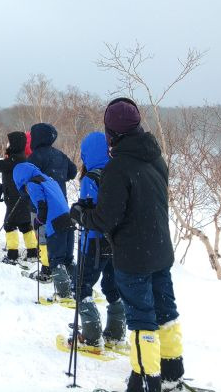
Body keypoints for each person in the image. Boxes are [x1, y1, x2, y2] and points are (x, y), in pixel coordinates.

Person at [70, 98, 184, 392]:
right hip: (159, 248)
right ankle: (171, 370)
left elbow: (107, 219)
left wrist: (83, 215)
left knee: (142, 317)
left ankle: (145, 380)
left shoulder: (118, 167)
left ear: (112, 134)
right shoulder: (155, 158)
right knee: (165, 310)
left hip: (134, 256)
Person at [70, 131, 126, 349]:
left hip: (93, 242)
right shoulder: (118, 174)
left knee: (81, 286)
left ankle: (92, 336)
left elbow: (90, 211)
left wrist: (77, 211)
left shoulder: (91, 178)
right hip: (117, 241)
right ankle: (116, 333)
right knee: (113, 285)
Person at [12, 162, 75, 299]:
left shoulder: (32, 184)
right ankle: (79, 289)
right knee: (68, 259)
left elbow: (42, 207)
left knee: (56, 261)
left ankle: (64, 294)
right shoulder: (49, 180)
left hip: (56, 224)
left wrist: (38, 221)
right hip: (69, 220)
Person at [27, 123, 78, 277]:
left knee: (43, 235)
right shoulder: (60, 154)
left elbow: (29, 179)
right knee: (58, 238)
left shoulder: (34, 156)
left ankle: (47, 269)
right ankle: (60, 270)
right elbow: (73, 171)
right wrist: (59, 178)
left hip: (40, 204)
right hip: (60, 203)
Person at [0, 132, 38, 264]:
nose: (7, 144)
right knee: (25, 225)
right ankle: (32, 252)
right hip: (22, 198)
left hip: (14, 198)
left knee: (9, 225)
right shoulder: (21, 157)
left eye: (9, 142)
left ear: (14, 144)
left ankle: (12, 254)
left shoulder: (14, 159)